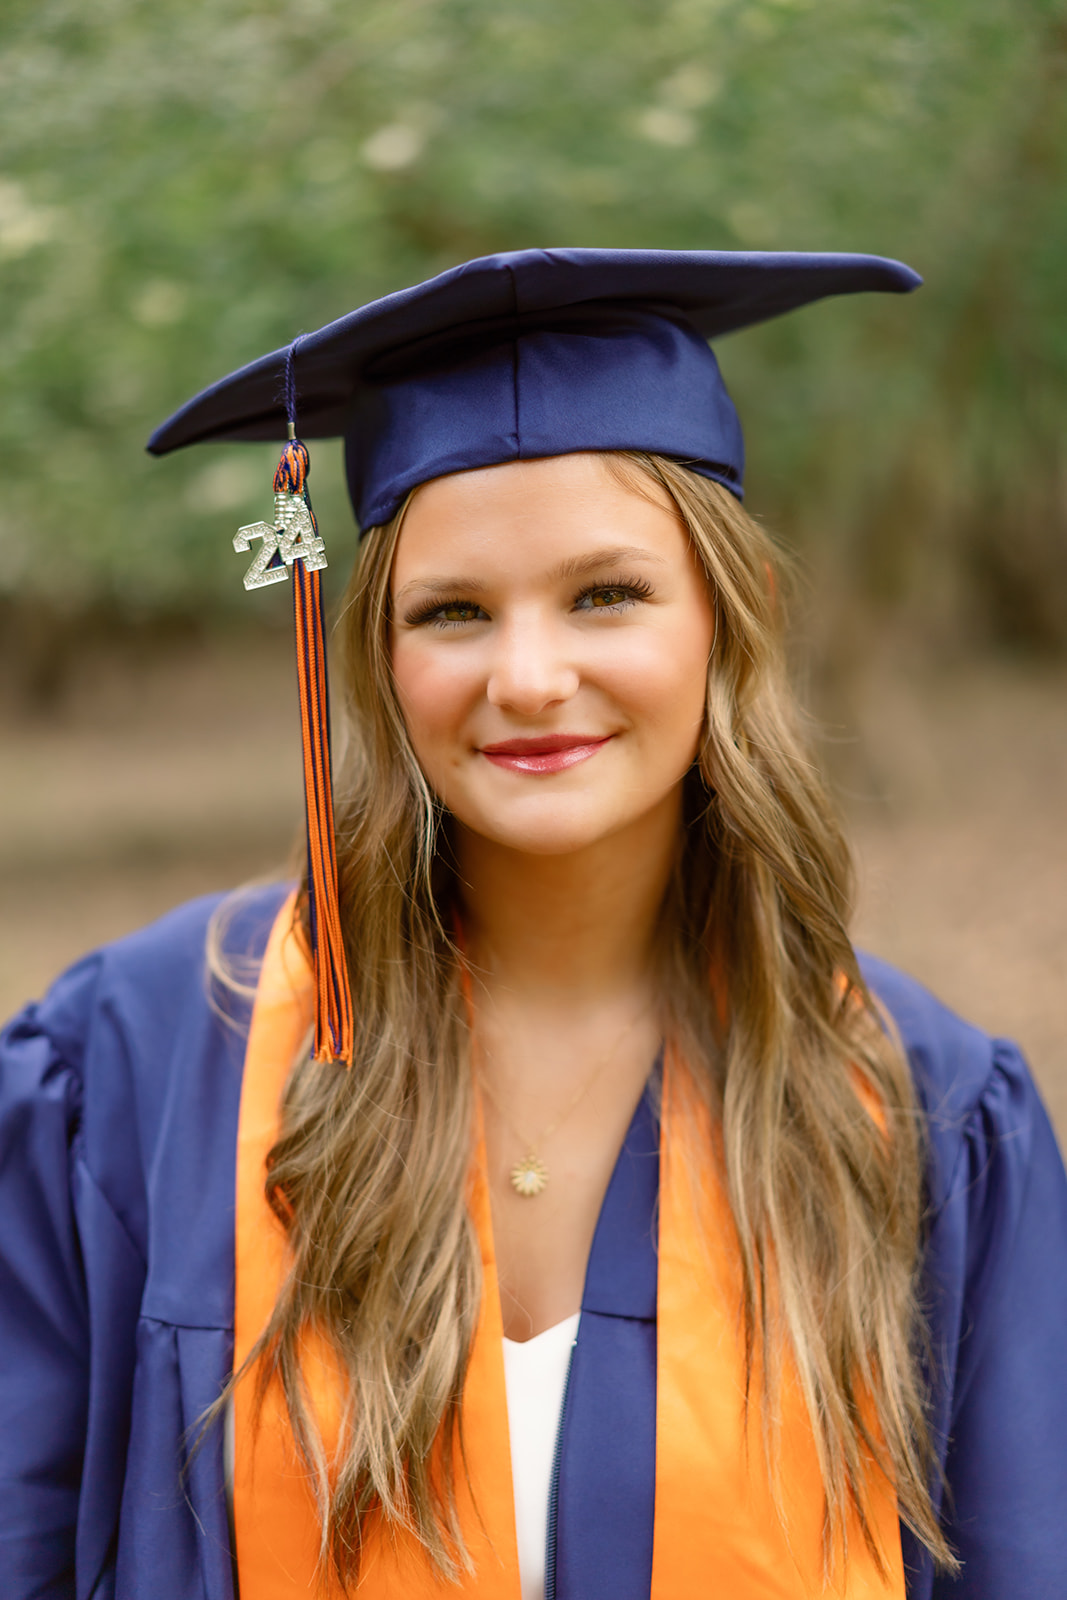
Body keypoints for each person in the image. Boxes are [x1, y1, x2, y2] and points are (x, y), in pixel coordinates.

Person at [1, 249, 1065, 1600]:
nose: (528, 676)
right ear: (379, 661)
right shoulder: (139, 1067)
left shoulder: (924, 1115)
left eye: (605, 594)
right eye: (451, 612)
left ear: (729, 624)